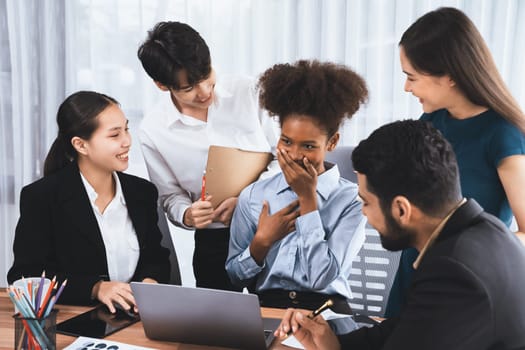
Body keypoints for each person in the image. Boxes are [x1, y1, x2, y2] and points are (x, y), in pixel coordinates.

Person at [276, 120, 525, 349]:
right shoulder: (485, 231)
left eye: (366, 203)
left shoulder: (452, 269)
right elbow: (411, 328)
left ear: (401, 209)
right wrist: (337, 343)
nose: (364, 214)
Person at [386, 6, 525, 317]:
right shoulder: (430, 122)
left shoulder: (502, 135)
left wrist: (462, 249)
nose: (406, 88)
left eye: (412, 77)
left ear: (448, 75)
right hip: (414, 277)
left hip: (465, 285)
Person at [137, 21, 278, 291]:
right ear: (161, 85)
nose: (204, 92)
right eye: (189, 88)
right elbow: (169, 195)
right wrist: (188, 215)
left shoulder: (250, 92)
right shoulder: (153, 130)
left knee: (280, 324)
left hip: (272, 228)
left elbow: (283, 158)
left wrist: (247, 200)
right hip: (215, 241)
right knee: (217, 327)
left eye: (206, 76)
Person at [7, 91, 170, 313]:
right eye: (114, 135)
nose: (127, 142)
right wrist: (96, 288)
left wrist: (150, 282)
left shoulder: (142, 192)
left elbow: (156, 257)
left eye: (126, 129)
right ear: (81, 145)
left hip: (135, 318)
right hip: (74, 319)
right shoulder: (42, 197)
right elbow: (25, 275)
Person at [225, 60, 368, 312]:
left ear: (332, 142)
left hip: (327, 311)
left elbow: (320, 277)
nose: (294, 154)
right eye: (286, 141)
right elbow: (236, 277)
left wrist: (308, 200)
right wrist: (261, 242)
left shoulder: (352, 201)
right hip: (268, 308)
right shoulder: (253, 196)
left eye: (309, 146)